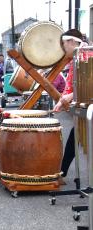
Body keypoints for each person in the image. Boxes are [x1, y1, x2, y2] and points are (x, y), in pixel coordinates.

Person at [53, 28, 90, 180]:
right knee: (74, 139)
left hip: (89, 106)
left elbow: (89, 86)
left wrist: (68, 96)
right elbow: (72, 83)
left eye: (63, 44)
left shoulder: (88, 54)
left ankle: (62, 172)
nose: (63, 48)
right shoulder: (77, 56)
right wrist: (62, 101)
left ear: (71, 41)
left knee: (75, 139)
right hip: (84, 107)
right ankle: (62, 171)